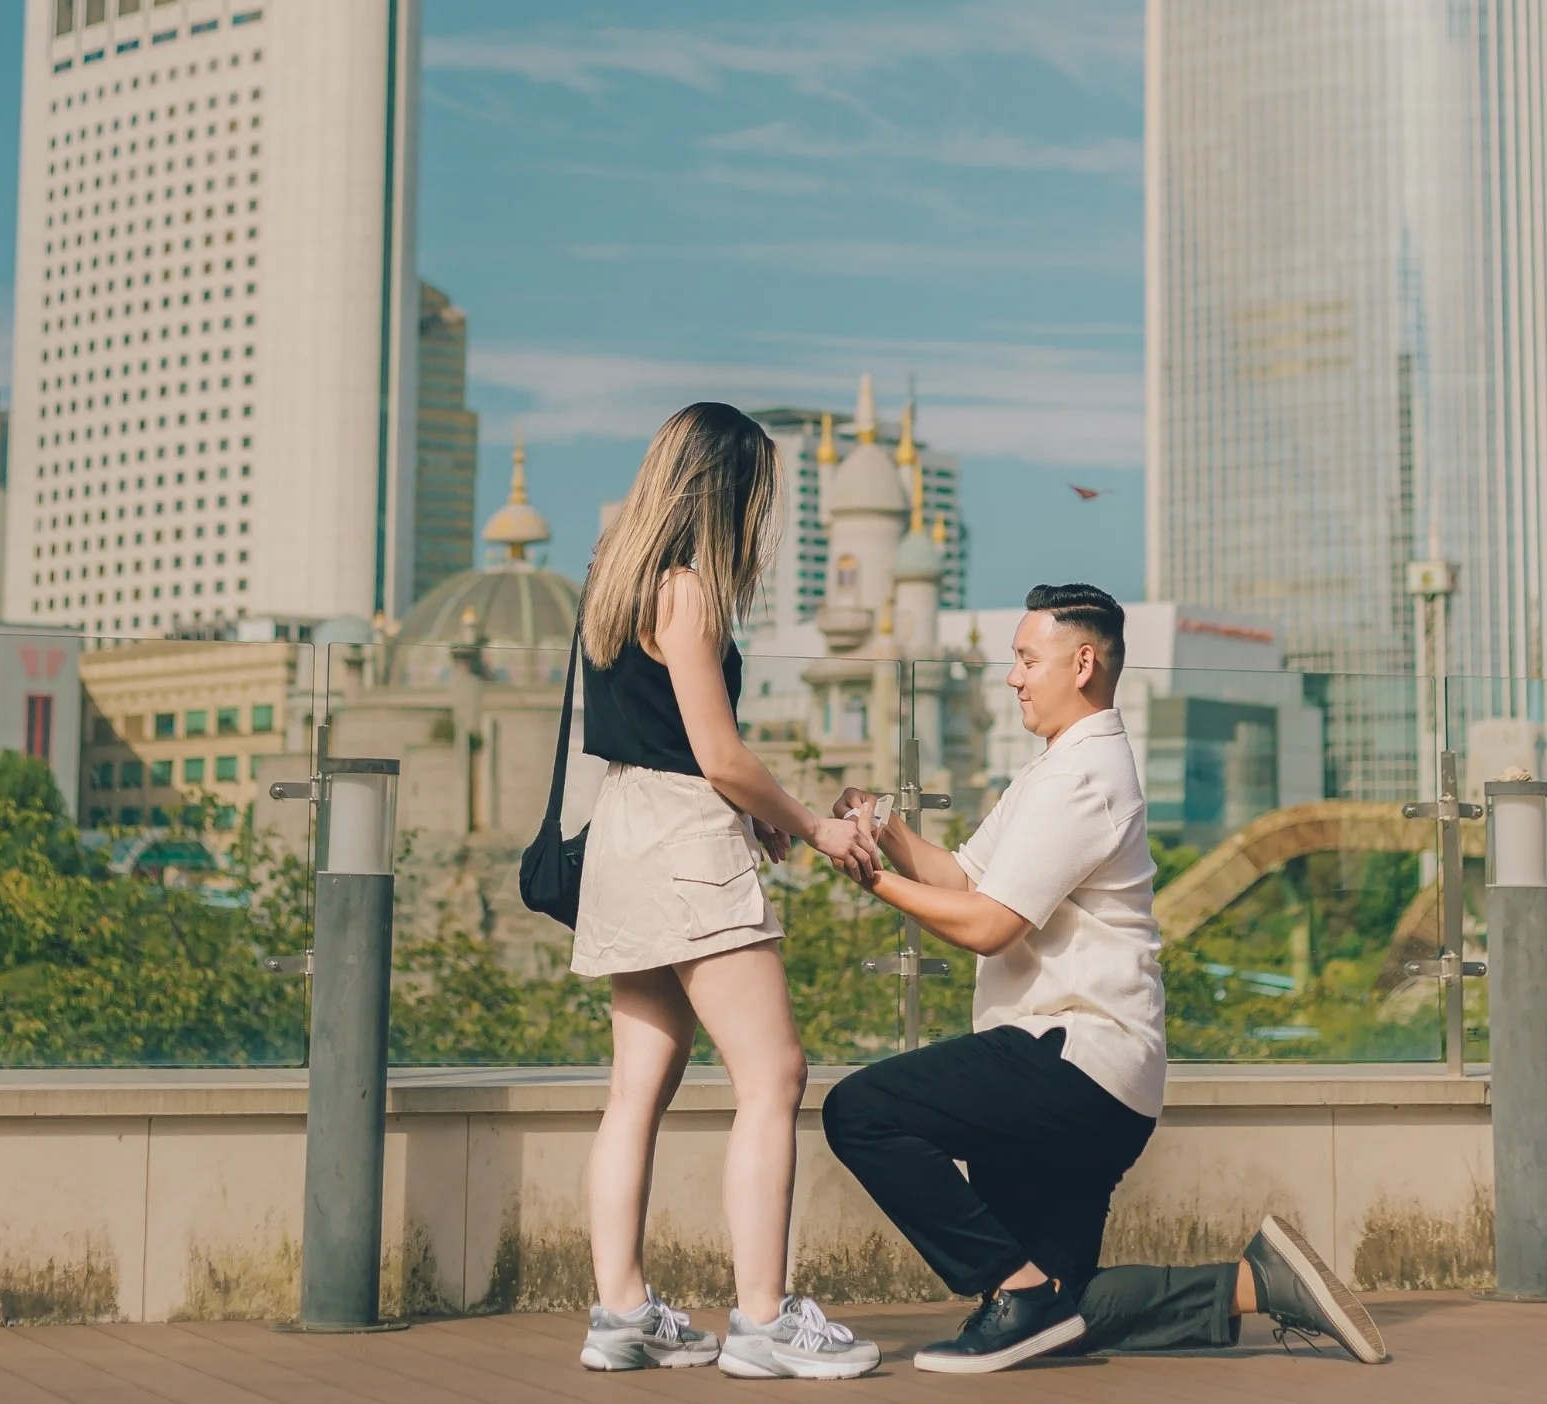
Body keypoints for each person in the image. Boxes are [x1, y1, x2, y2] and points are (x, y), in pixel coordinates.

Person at [822, 583, 1385, 1373]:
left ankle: (1009, 1293)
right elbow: (960, 877)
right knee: (1063, 1307)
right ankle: (1256, 1285)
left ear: (1081, 662)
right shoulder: (1055, 770)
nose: (1012, 677)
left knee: (861, 1112)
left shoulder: (1081, 777)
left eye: (1025, 659)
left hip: (1068, 1060)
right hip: (1096, 1080)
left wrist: (865, 875)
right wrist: (881, 832)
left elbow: (987, 923)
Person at [572, 402, 882, 1380]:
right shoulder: (688, 592)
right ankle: (763, 1319)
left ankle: (620, 1310)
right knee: (774, 1073)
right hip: (683, 839)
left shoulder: (611, 585)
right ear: (728, 489)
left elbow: (658, 742)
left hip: (624, 836)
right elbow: (717, 752)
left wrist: (754, 816)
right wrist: (809, 824)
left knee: (636, 1090)